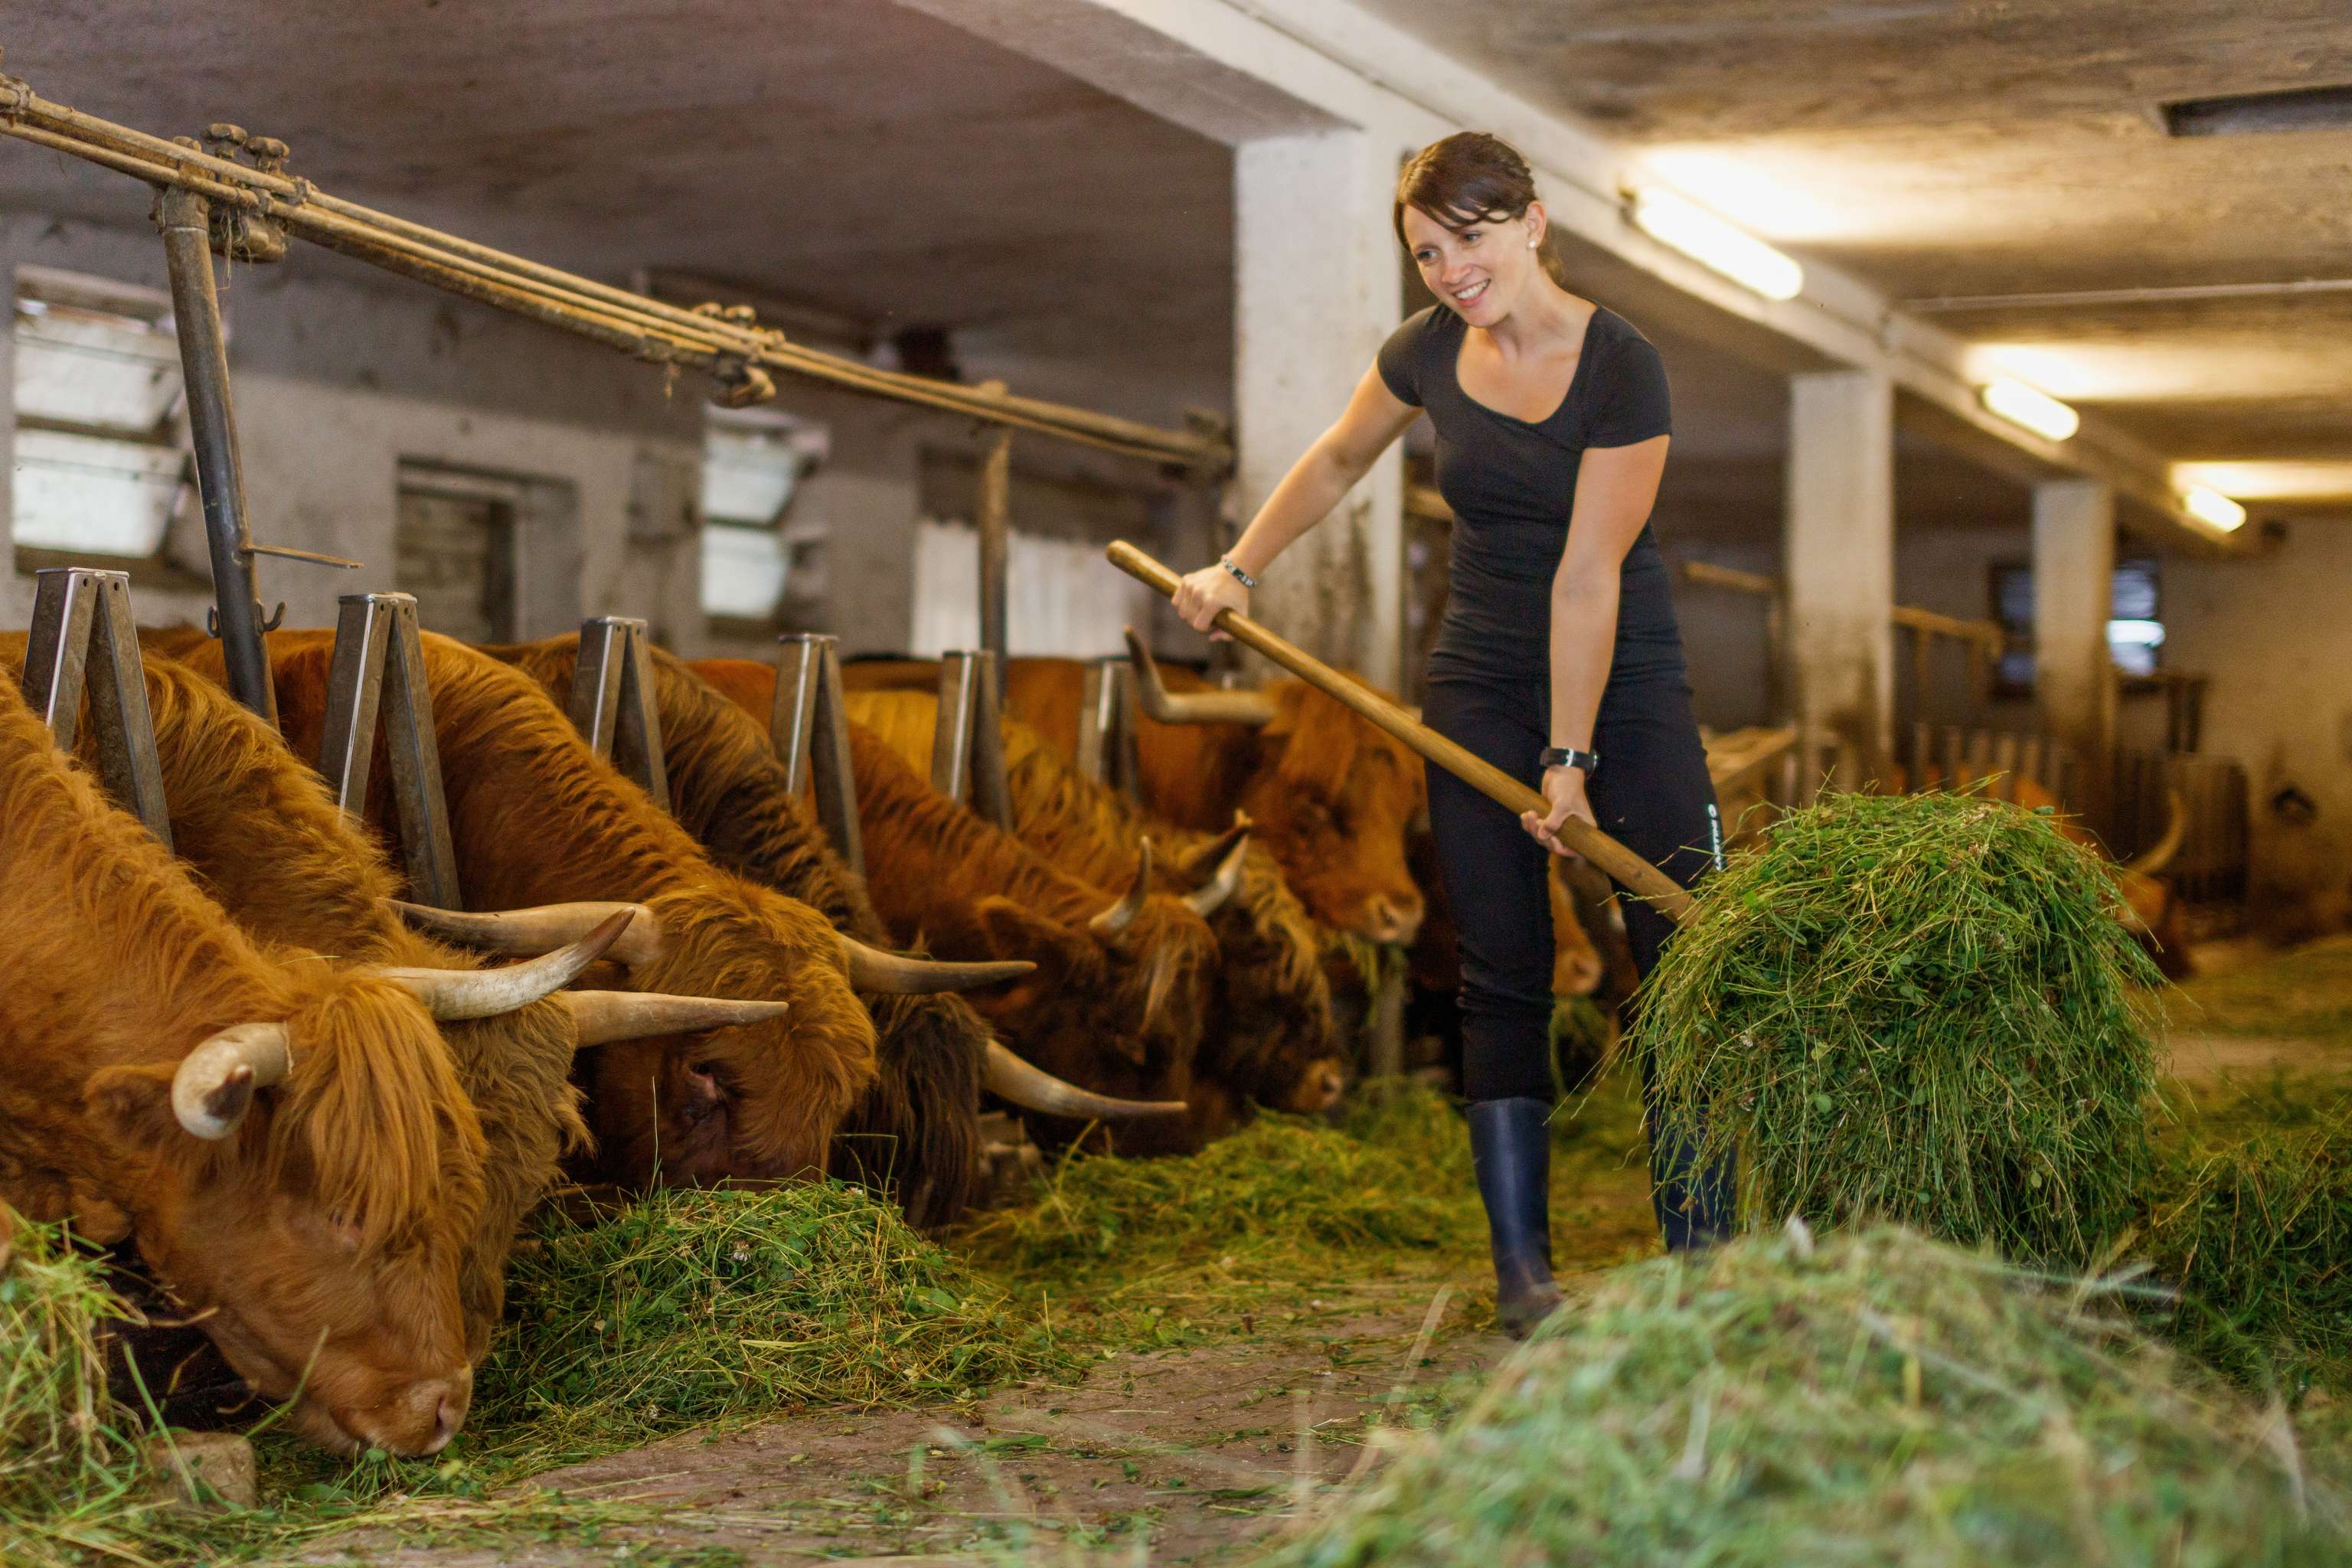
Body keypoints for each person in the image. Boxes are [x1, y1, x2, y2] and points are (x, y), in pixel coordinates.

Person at [1173, 131, 1733, 1337]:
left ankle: (1705, 1260)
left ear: (1531, 222)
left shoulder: (1622, 367)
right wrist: (1237, 567)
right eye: (1428, 252)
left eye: (1469, 240)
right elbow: (1334, 459)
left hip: (1624, 688)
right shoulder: (1425, 354)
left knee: (1685, 957)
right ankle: (1525, 1276)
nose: (1450, 270)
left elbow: (1591, 576)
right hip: (1477, 681)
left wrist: (1573, 762)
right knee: (1500, 970)